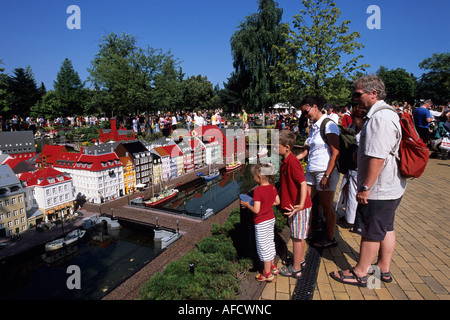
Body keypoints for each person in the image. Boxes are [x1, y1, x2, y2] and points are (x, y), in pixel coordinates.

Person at [330, 75, 407, 287]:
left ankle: (361, 273)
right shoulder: (385, 114)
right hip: (390, 186)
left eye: (357, 94)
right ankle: (382, 269)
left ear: (373, 93)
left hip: (379, 188)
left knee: (371, 231)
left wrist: (365, 188)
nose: (355, 99)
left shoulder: (379, 118)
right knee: (385, 227)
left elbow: (377, 158)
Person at [296, 96, 340, 248]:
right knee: (305, 202)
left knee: (326, 205)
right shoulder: (314, 125)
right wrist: (294, 159)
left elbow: (335, 151)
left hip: (324, 171)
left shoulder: (329, 125)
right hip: (312, 169)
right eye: (303, 113)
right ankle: (304, 233)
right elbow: (309, 149)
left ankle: (330, 237)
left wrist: (327, 175)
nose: (305, 115)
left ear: (315, 106)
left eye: (306, 112)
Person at [277, 130, 313, 279]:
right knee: (297, 236)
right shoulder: (286, 160)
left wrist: (300, 204)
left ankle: (296, 268)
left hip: (298, 207)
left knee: (297, 238)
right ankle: (301, 260)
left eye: (276, 146)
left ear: (287, 147)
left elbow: (303, 183)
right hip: (294, 206)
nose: (274, 148)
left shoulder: (292, 162)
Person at [240, 162, 281, 282]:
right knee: (270, 242)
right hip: (270, 219)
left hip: (261, 222)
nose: (253, 178)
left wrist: (247, 204)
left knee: (263, 247)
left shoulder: (258, 191)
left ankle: (267, 273)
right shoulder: (272, 187)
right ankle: (273, 267)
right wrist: (267, 205)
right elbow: (277, 202)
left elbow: (256, 210)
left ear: (259, 177)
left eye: (253, 176)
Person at [335, 106, 367, 230]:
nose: (353, 119)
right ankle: (351, 218)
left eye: (355, 117)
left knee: (355, 194)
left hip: (360, 167)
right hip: (351, 166)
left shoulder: (365, 131)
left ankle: (353, 221)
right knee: (349, 192)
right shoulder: (353, 128)